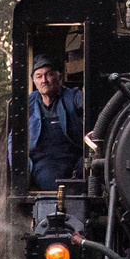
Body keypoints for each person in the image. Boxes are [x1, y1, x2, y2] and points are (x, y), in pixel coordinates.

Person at [24, 56, 85, 191]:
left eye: (49, 75)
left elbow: (86, 104)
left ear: (59, 77)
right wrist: (21, 163)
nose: (44, 80)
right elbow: (14, 137)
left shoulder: (73, 96)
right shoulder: (28, 103)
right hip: (45, 161)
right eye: (39, 76)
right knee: (52, 183)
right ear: (34, 81)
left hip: (73, 158)